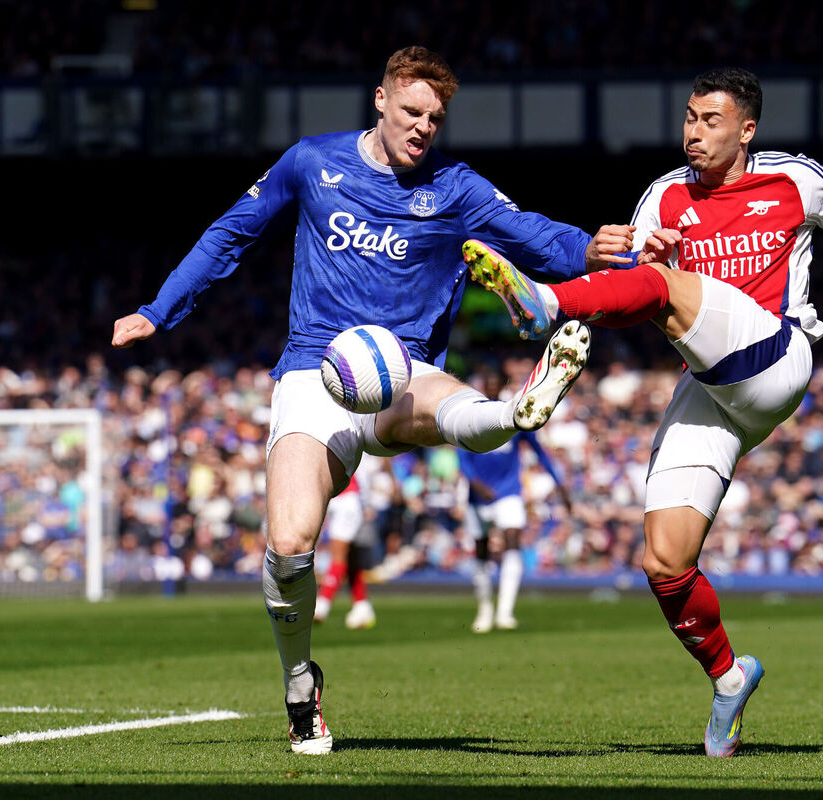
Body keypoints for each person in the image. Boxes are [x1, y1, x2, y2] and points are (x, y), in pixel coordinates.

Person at [111, 46, 633, 755]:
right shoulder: (311, 162)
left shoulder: (457, 189)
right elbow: (231, 233)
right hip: (314, 371)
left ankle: (518, 409)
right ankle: (300, 681)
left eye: (435, 118)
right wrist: (160, 309)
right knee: (290, 545)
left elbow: (537, 235)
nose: (422, 127)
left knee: (463, 412)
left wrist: (594, 251)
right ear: (380, 100)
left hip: (404, 369)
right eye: (412, 111)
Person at [464, 66, 823, 757]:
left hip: (780, 358)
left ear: (747, 129)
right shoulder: (663, 196)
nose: (693, 132)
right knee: (664, 562)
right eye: (690, 118)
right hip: (712, 385)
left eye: (711, 121)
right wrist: (624, 257)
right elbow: (625, 294)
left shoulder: (794, 180)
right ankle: (729, 678)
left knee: (659, 285)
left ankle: (543, 304)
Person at [461, 369, 573, 633]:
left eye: (494, 382)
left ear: (501, 386)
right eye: (486, 382)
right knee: (482, 551)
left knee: (512, 541)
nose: (490, 387)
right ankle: (485, 609)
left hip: (508, 492)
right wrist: (475, 482)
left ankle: (505, 612)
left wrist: (559, 483)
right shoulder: (471, 415)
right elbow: (461, 454)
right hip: (478, 496)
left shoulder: (512, 416)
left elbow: (540, 452)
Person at [313, 474, 376, 629]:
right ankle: (362, 606)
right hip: (340, 500)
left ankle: (322, 605)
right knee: (350, 556)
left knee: (338, 555)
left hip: (346, 500)